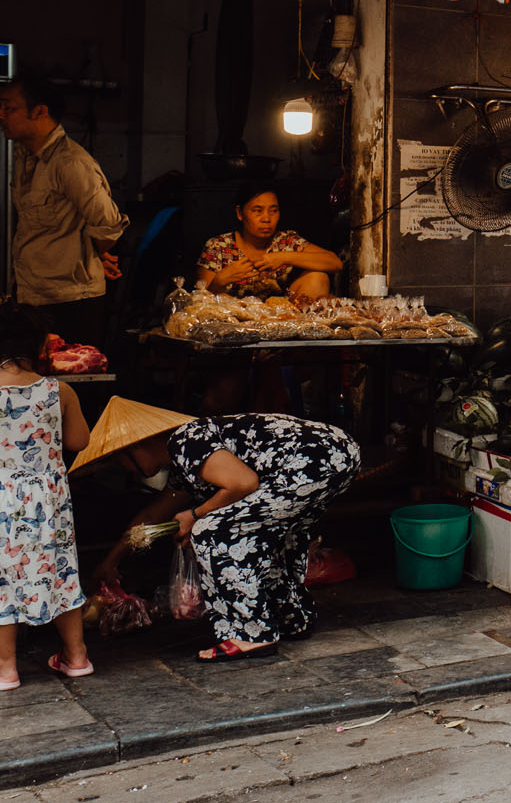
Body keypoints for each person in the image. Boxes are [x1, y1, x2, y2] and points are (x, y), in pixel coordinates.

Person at [75, 399, 361, 659]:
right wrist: (110, 562)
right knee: (275, 538)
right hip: (335, 455)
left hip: (316, 460)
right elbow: (151, 515)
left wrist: (196, 515)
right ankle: (292, 618)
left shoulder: (185, 439)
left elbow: (243, 483)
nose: (125, 469)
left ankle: (250, 634)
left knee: (212, 532)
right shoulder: (184, 463)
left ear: (135, 446)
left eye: (119, 459)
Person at [0, 305, 92, 689]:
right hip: (47, 502)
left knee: (2, 579)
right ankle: (76, 657)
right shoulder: (59, 391)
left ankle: (6, 669)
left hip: (2, 499)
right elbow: (79, 441)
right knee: (61, 573)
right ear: (40, 346)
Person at [1, 74, 127, 348]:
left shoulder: (71, 163)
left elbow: (109, 226)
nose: (1, 115)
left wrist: (90, 252)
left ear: (40, 111)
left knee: (69, 383)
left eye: (8, 108)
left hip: (71, 301)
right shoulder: (26, 158)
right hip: (32, 294)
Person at [195, 185, 342, 300]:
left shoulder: (285, 241)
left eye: (273, 210)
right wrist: (220, 281)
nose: (266, 218)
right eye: (257, 211)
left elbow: (335, 262)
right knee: (219, 297)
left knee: (318, 277)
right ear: (240, 213)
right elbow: (200, 299)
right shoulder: (218, 247)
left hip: (282, 318)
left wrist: (283, 257)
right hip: (233, 320)